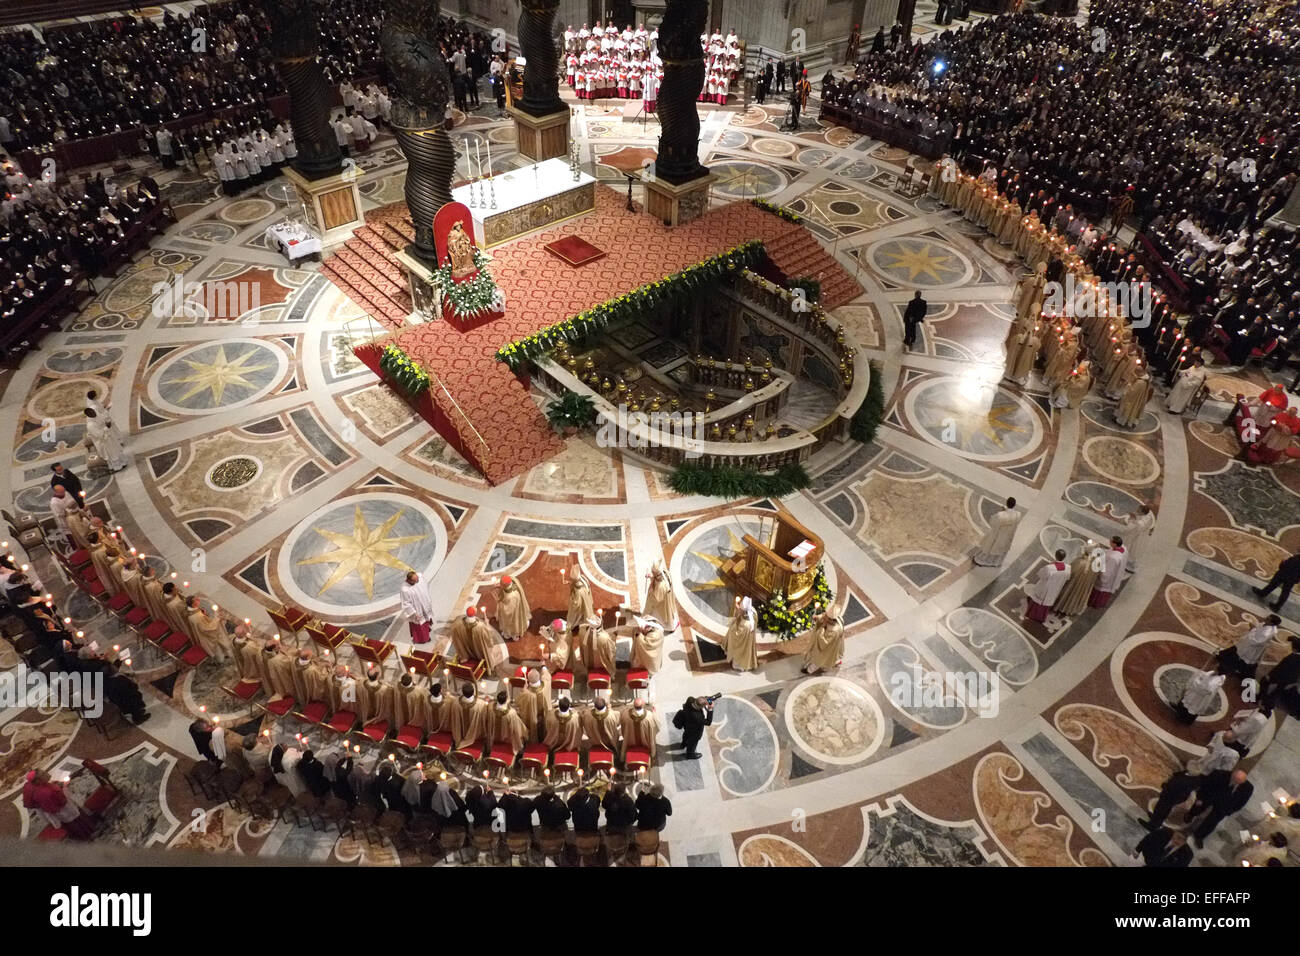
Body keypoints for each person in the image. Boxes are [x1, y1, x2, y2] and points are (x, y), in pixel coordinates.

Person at [22, 769, 95, 839]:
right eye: (43, 774)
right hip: (63, 812)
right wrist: (60, 789)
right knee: (75, 822)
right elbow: (55, 807)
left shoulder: (38, 786)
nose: (47, 773)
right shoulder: (44, 793)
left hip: (60, 808)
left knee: (75, 819)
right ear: (38, 780)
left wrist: (56, 787)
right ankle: (86, 835)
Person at [1217, 615, 1280, 679]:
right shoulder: (1266, 624)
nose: (1265, 618)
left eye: (1267, 619)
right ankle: (1222, 658)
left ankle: (1225, 669)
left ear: (1271, 623)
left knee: (1240, 658)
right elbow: (1258, 628)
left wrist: (1253, 629)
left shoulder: (1267, 633)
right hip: (1247, 643)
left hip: (1251, 648)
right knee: (1235, 651)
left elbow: (1255, 641)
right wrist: (1254, 628)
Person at [971, 498, 1020, 567]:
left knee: (990, 547)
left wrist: (1003, 512)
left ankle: (982, 560)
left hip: (997, 535)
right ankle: (995, 562)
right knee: (1001, 549)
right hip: (1008, 536)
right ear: (1014, 505)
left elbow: (992, 522)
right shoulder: (1018, 514)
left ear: (1006, 503)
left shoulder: (1000, 515)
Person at [1024, 550, 1070, 623]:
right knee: (1047, 602)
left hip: (1044, 588)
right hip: (1055, 589)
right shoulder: (1068, 568)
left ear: (1055, 556)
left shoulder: (1049, 568)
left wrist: (1050, 565)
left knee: (1038, 601)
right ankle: (1042, 617)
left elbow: (1041, 575)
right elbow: (1067, 578)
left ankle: (1032, 615)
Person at [800, 605, 845, 675]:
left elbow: (824, 643)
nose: (825, 616)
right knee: (832, 656)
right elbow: (824, 616)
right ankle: (836, 662)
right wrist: (817, 617)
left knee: (819, 659)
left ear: (831, 619)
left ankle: (810, 670)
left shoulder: (834, 630)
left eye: (827, 616)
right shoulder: (835, 618)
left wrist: (821, 629)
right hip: (834, 645)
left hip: (826, 648)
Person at [84, 407, 127, 472]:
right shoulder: (90, 425)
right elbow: (99, 435)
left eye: (93, 411)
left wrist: (107, 422)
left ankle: (123, 462)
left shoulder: (96, 415)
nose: (94, 413)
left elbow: (103, 419)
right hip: (103, 441)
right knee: (113, 454)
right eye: (92, 413)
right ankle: (117, 467)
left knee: (116, 450)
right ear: (88, 415)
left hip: (109, 436)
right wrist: (106, 427)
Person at [1087, 536, 1127, 608]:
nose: (1109, 542)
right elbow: (1110, 551)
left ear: (1115, 544)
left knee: (1099, 591)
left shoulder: (1113, 558)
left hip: (1107, 578)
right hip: (1114, 573)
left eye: (1111, 541)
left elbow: (1107, 571)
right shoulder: (1123, 548)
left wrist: (1099, 575)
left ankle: (1094, 603)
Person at [723, 596, 759, 671]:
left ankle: (739, 665)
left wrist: (732, 629)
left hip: (741, 643)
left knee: (740, 650)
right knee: (747, 649)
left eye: (741, 610)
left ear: (744, 611)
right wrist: (738, 609)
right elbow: (741, 614)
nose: (740, 610)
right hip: (749, 638)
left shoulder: (745, 624)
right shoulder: (753, 612)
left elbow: (736, 634)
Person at [398, 570, 433, 644]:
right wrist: (414, 613)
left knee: (426, 619)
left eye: (417, 579)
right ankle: (422, 639)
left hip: (424, 604)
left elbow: (424, 586)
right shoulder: (405, 589)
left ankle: (428, 629)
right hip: (417, 610)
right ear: (409, 580)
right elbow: (406, 603)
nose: (418, 581)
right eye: (415, 581)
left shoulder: (419, 579)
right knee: (420, 626)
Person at [642, 560, 678, 630]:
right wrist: (651, 577)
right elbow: (657, 578)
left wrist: (650, 593)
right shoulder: (664, 573)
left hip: (660, 605)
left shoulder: (661, 586)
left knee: (658, 617)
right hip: (665, 599)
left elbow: (656, 599)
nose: (652, 573)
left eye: (653, 572)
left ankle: (665, 627)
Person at [495, 574, 530, 642]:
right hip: (516, 607)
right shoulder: (513, 582)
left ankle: (514, 634)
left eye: (501, 584)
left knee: (514, 623)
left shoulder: (511, 596)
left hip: (514, 614)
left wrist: (500, 604)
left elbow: (508, 611)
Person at [1121, 505, 1155, 572]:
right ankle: (1124, 563)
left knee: (1134, 551)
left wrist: (1134, 518)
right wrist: (1132, 518)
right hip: (1133, 535)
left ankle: (1130, 567)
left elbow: (1141, 525)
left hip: (1139, 538)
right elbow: (1133, 522)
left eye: (1139, 510)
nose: (1137, 510)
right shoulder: (1141, 515)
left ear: (1142, 512)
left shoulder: (1148, 518)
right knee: (1128, 548)